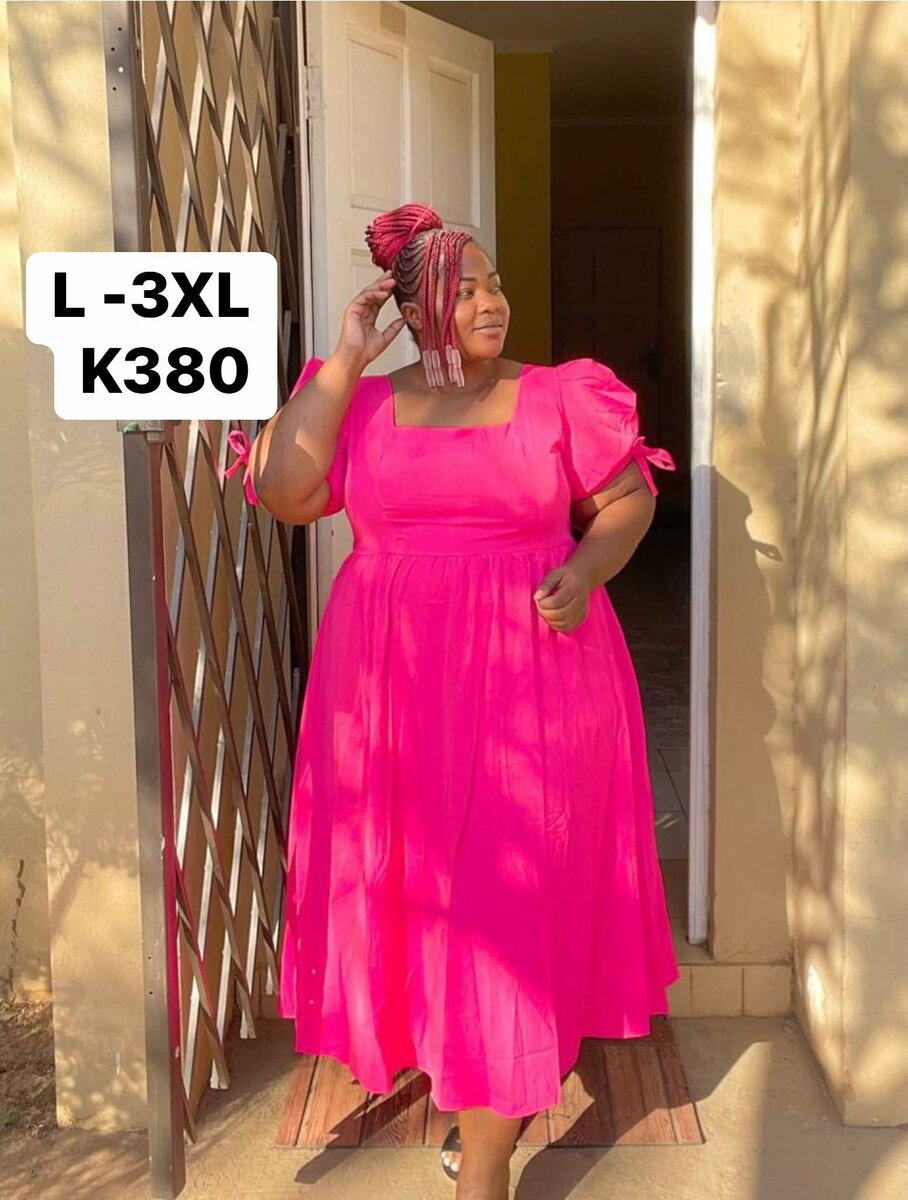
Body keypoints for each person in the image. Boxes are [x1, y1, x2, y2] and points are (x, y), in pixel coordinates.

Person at [226, 203, 679, 1200]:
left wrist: (587, 568)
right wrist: (344, 359)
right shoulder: (360, 404)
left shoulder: (559, 395)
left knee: (505, 907)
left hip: (534, 684)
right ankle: (460, 1073)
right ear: (412, 309)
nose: (490, 302)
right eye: (463, 289)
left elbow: (627, 500)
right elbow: (285, 493)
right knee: (420, 898)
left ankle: (485, 1163)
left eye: (494, 284)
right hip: (388, 695)